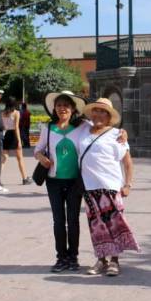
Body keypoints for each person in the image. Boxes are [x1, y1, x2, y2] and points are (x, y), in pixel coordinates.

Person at [79, 98, 139, 277]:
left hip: (111, 186)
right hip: (89, 187)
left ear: (109, 116)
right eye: (96, 111)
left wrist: (128, 184)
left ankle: (114, 260)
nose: (99, 114)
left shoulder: (116, 135)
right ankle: (101, 259)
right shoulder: (83, 129)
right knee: (96, 226)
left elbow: (127, 163)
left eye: (103, 112)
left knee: (114, 223)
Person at [34, 91, 89, 272]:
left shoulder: (83, 127)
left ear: (73, 109)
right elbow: (37, 150)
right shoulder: (48, 128)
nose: (62, 108)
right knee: (58, 220)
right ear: (54, 109)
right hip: (54, 181)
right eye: (59, 105)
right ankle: (61, 258)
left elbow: (102, 129)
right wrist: (42, 158)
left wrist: (121, 133)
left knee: (73, 220)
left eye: (66, 105)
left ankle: (73, 257)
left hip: (75, 181)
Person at [1, 96, 31, 185]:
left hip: (6, 135)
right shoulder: (16, 113)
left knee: (4, 158)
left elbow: (2, 126)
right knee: (20, 158)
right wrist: (19, 141)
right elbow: (16, 127)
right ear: (14, 104)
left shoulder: (2, 113)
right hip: (14, 135)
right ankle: (24, 178)